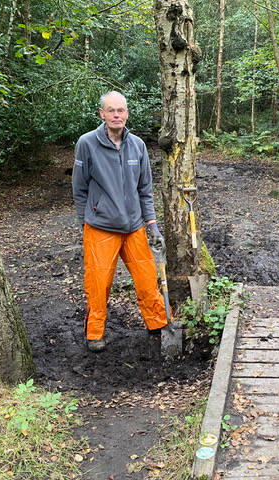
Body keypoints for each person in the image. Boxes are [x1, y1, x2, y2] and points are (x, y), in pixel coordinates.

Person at [72, 91, 169, 353]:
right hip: (100, 228)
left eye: (121, 110)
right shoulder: (87, 143)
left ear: (127, 113)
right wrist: (85, 223)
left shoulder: (137, 145)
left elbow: (145, 189)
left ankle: (158, 322)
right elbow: (79, 188)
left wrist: (152, 225)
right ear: (102, 114)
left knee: (147, 278)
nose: (116, 115)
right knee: (98, 284)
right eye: (111, 110)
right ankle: (94, 333)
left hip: (134, 226)